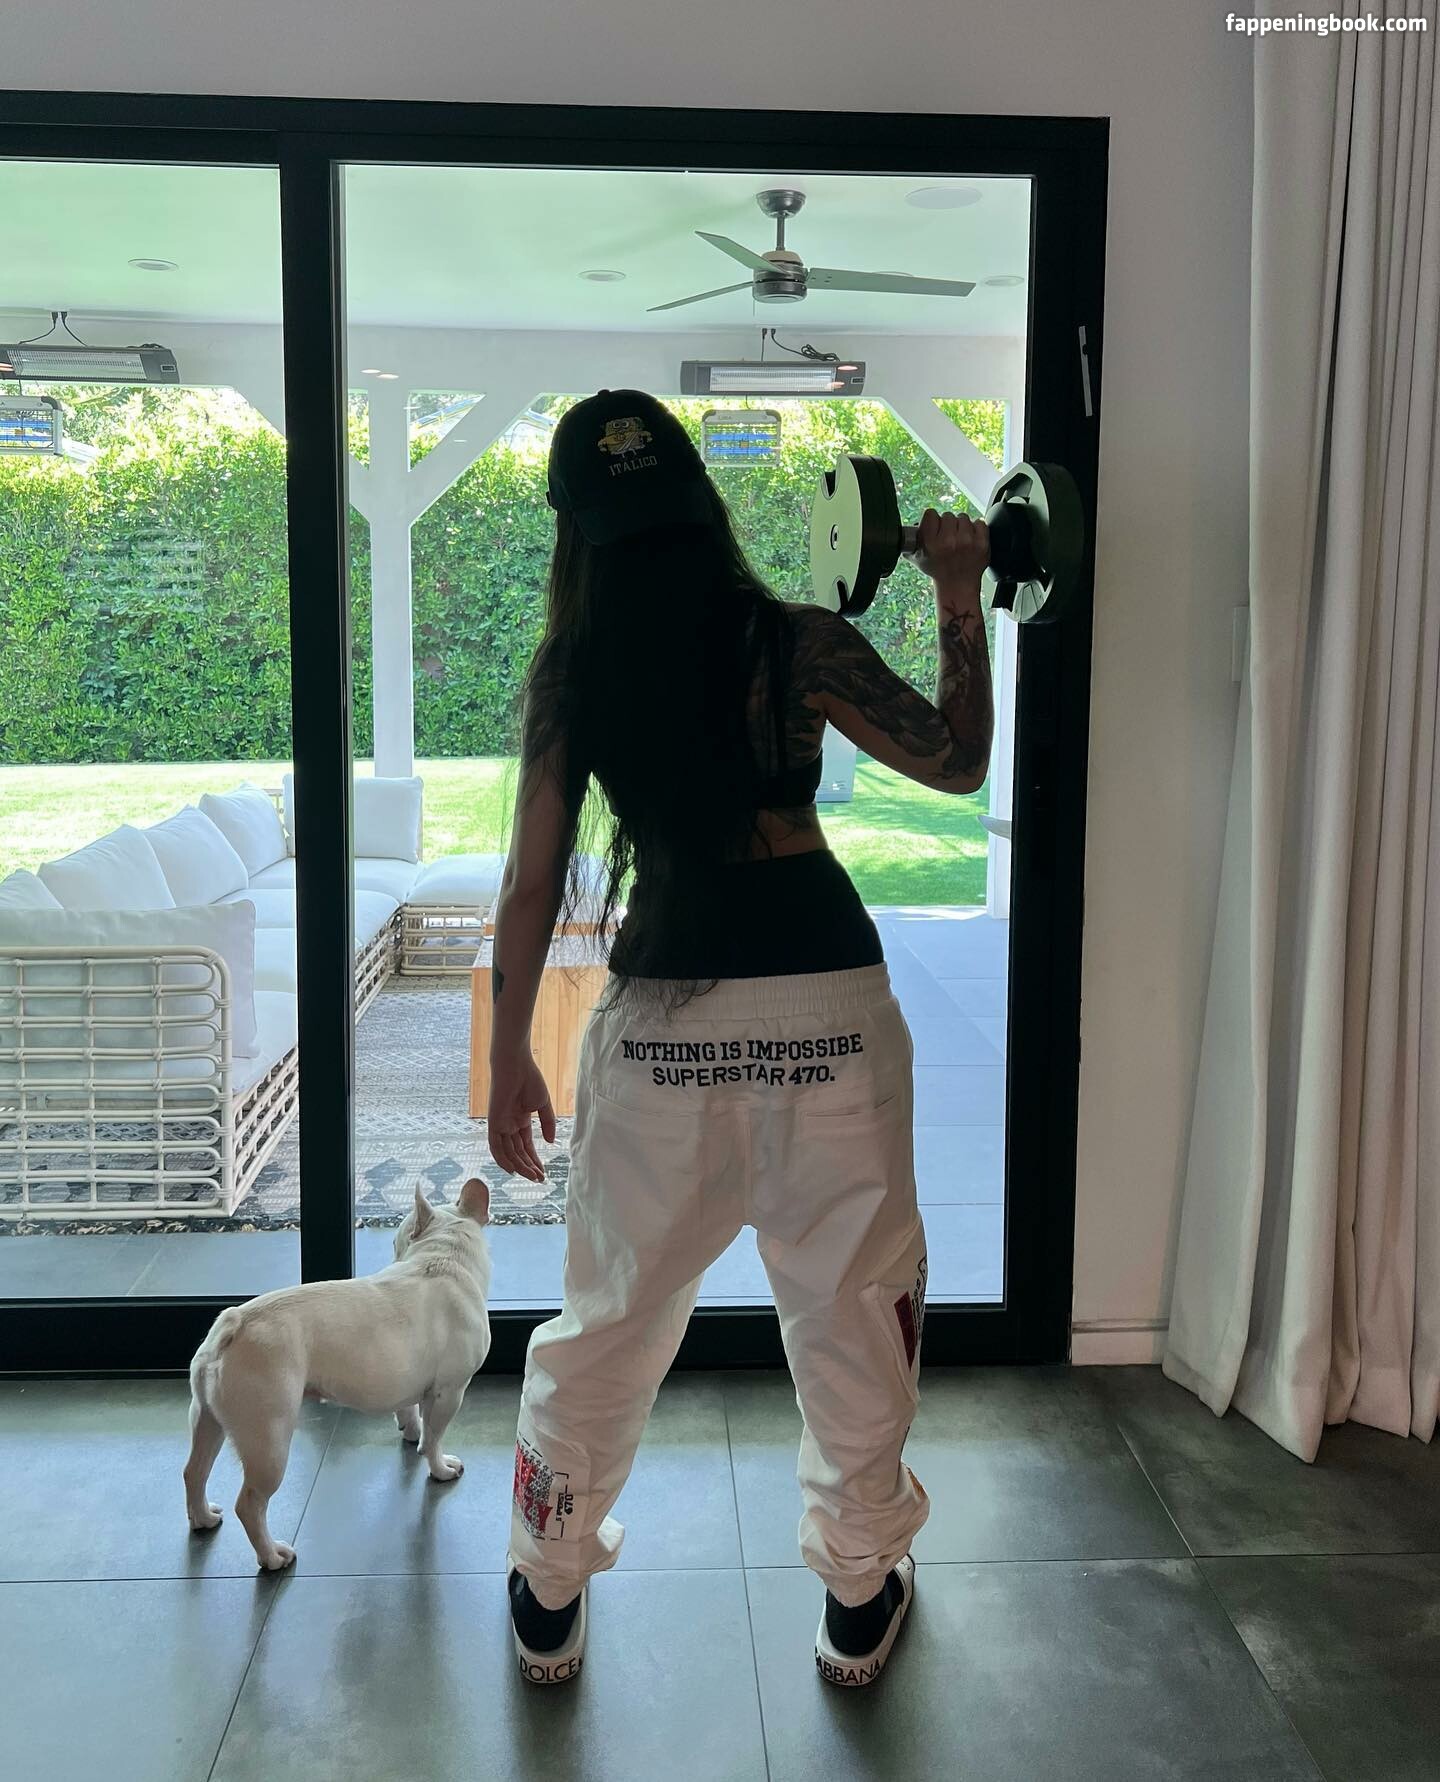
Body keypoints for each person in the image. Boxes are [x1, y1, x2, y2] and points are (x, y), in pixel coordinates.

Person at [487, 389, 992, 1688]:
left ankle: (548, 1585)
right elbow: (956, 760)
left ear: (576, 535)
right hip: (831, 1011)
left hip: (662, 1033)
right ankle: (861, 1588)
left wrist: (508, 1055)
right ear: (702, 510)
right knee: (854, 1314)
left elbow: (532, 883)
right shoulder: (795, 639)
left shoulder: (573, 674)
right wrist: (957, 590)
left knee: (606, 1321)